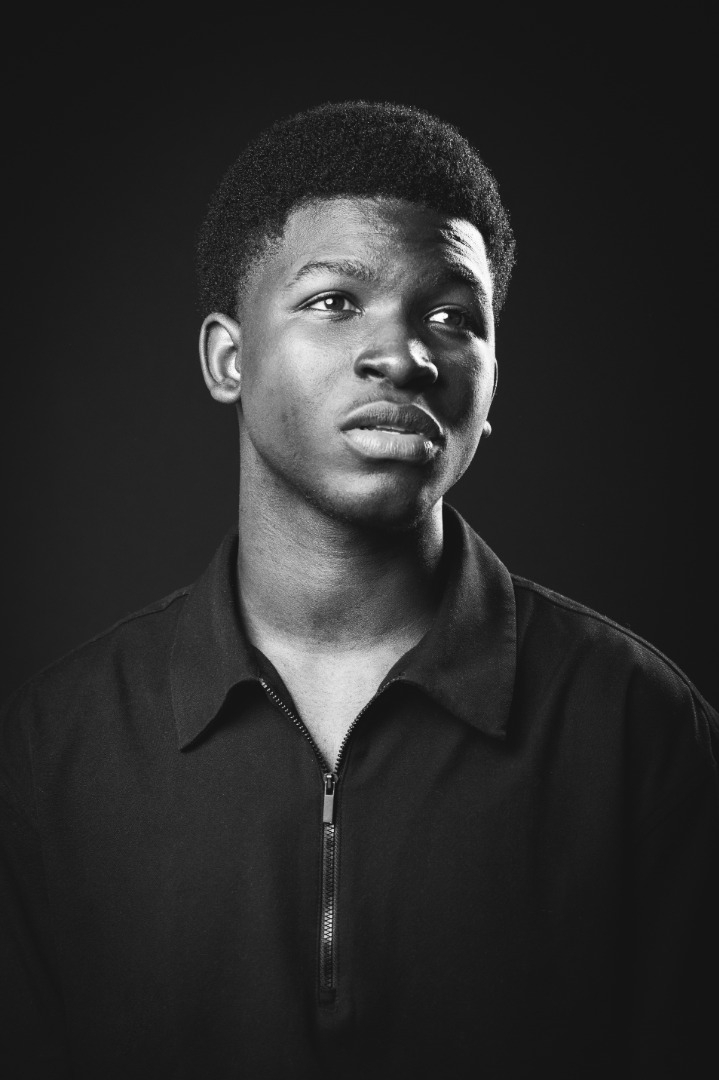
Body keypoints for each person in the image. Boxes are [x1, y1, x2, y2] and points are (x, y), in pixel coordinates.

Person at [1, 101, 717, 1080]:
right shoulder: (54, 751)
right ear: (228, 358)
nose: (405, 355)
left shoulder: (639, 729)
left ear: (491, 383)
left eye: (452, 318)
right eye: (335, 301)